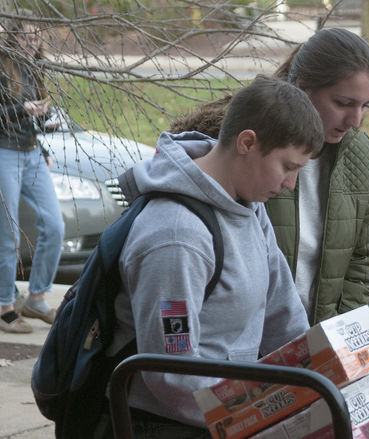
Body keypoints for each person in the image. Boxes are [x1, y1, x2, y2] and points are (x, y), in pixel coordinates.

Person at [103, 76, 323, 436]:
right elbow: (172, 372)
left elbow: (282, 311)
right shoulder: (176, 238)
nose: (290, 184)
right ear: (247, 143)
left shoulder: (249, 205)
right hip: (169, 423)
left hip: (226, 407)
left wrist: (316, 372)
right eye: (288, 166)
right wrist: (258, 409)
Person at [166, 28, 369, 325]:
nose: (356, 121)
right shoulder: (246, 147)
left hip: (311, 335)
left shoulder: (358, 150)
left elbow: (363, 255)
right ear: (302, 88)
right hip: (246, 344)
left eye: (365, 106)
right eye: (344, 103)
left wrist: (341, 331)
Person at [0, 20, 64, 333]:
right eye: (24, 36)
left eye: (35, 38)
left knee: (54, 225)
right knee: (8, 234)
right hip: (4, 153)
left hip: (31, 152)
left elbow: (32, 117)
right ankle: (5, 307)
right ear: (12, 37)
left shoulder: (36, 67)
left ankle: (36, 298)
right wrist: (24, 109)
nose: (30, 42)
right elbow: (5, 114)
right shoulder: (2, 66)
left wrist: (44, 126)